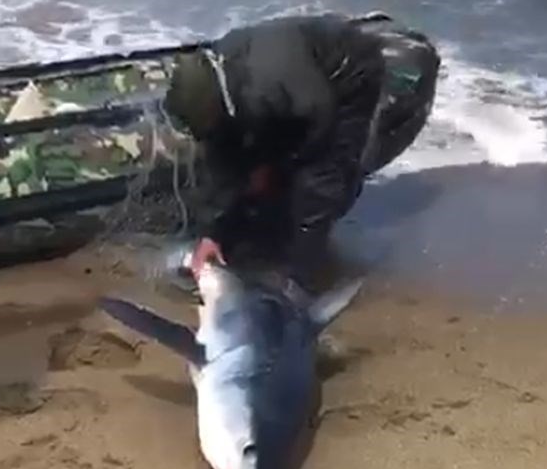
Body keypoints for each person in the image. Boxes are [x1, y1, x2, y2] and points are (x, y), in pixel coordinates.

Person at [164, 14, 387, 290]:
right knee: (241, 167)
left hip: (347, 76)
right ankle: (230, 240)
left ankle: (301, 279)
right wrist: (214, 234)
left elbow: (320, 126)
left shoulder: (271, 83)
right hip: (292, 87)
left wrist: (281, 164)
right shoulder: (221, 82)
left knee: (317, 180)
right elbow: (223, 158)